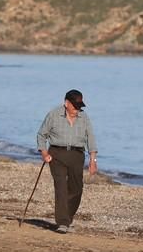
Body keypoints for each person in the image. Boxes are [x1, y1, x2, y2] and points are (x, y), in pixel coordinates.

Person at [37, 89, 98, 234]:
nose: (77, 109)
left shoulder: (84, 117)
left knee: (76, 189)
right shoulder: (53, 114)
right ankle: (62, 223)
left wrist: (93, 160)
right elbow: (41, 134)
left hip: (77, 155)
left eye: (79, 106)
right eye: (75, 106)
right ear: (66, 103)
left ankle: (68, 217)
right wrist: (44, 153)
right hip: (57, 154)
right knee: (61, 187)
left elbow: (91, 138)